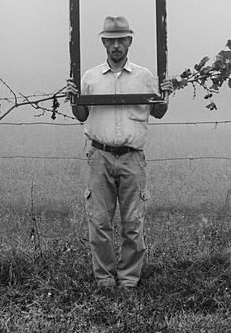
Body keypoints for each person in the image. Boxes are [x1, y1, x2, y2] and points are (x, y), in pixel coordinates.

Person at [64, 15, 170, 293]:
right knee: (99, 222)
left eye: (121, 40)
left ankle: (129, 280)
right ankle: (105, 279)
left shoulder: (145, 76)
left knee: (133, 222)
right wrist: (73, 97)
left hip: (133, 157)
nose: (116, 46)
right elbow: (81, 115)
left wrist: (166, 95)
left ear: (129, 42)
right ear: (103, 43)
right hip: (99, 156)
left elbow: (158, 112)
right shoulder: (90, 77)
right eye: (111, 41)